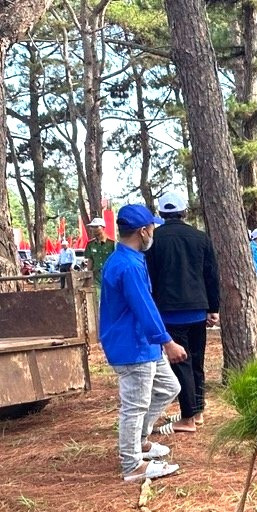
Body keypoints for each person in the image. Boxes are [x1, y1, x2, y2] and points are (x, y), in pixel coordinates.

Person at [99, 204, 186, 482]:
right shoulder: (127, 265)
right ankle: (132, 464)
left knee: (170, 387)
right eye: (152, 228)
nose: (153, 233)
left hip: (143, 343)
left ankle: (140, 440)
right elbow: (143, 307)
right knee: (134, 405)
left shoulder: (129, 258)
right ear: (143, 230)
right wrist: (167, 341)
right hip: (133, 345)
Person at [146, 192, 220, 433]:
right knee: (196, 362)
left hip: (169, 312)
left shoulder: (153, 240)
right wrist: (213, 308)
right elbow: (211, 275)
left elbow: (151, 277)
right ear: (184, 212)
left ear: (161, 214)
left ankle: (188, 417)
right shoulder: (200, 237)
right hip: (198, 310)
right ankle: (197, 411)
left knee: (181, 364)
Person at [85, 217, 115, 305]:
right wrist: (88, 275)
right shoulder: (90, 244)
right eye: (92, 227)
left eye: (96, 227)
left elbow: (116, 261)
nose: (93, 229)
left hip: (110, 276)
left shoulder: (112, 243)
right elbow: (90, 261)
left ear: (103, 227)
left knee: (111, 302)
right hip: (96, 277)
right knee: (97, 302)